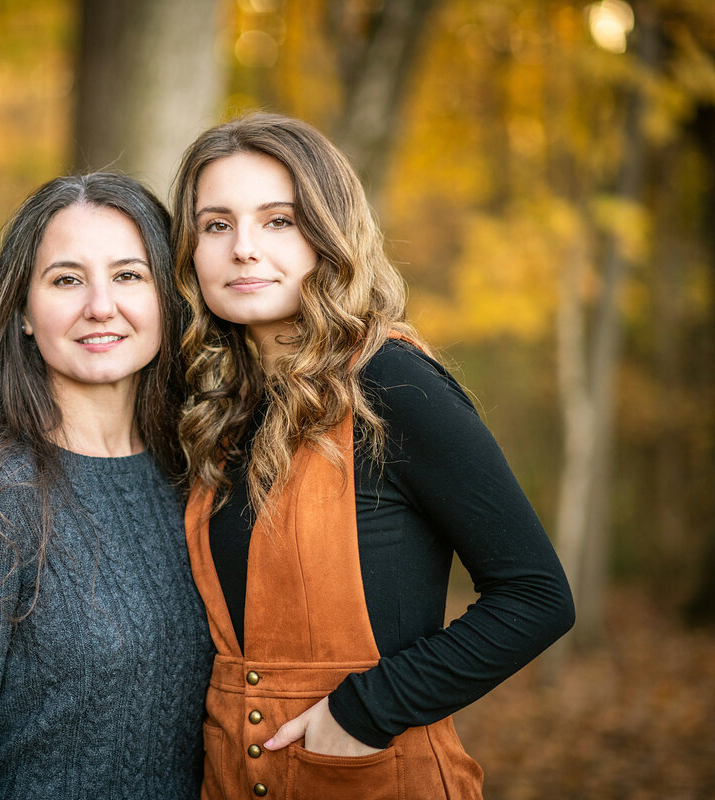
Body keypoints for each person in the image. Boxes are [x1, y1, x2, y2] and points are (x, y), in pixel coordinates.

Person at [170, 112, 575, 799]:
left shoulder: (391, 382)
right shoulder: (215, 405)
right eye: (216, 224)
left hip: (371, 777)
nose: (243, 248)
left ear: (327, 234)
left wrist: (364, 713)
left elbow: (537, 596)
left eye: (278, 221)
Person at [0, 173, 215, 798]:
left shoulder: (195, 471)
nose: (101, 306)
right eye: (67, 279)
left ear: (167, 298)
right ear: (21, 310)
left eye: (129, 275)